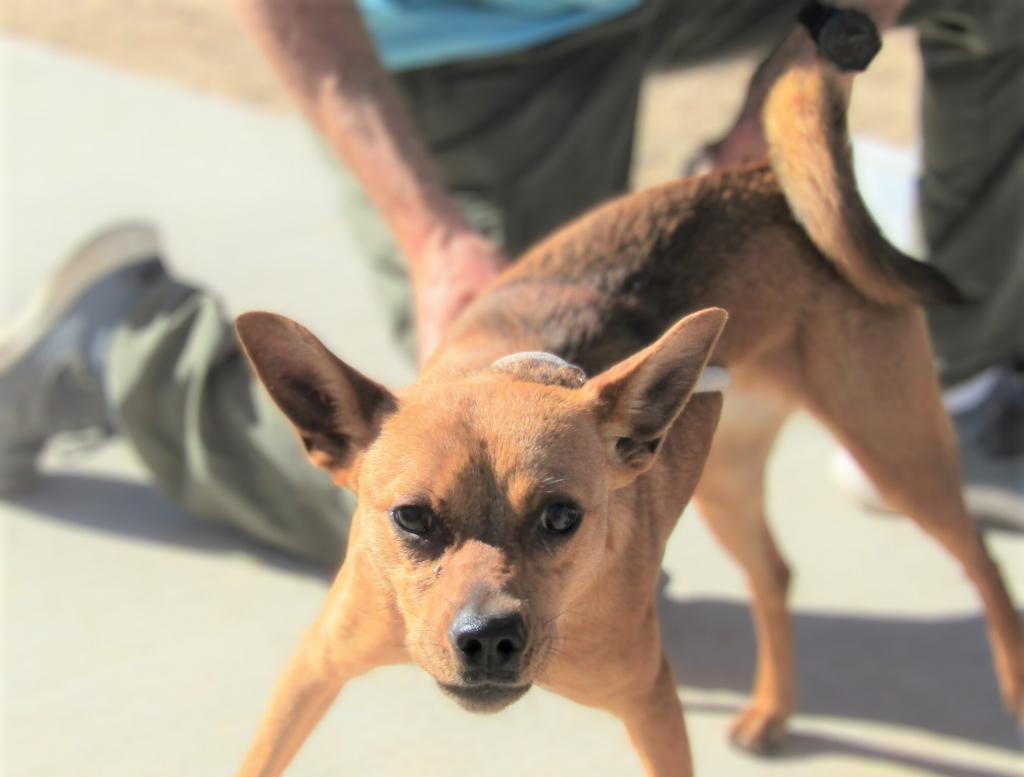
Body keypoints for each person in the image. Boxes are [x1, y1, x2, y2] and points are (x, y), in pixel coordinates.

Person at [1, 0, 1021, 568]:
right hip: (479, 43)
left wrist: (805, 71)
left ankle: (955, 380)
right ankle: (126, 351)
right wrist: (431, 230)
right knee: (499, 510)